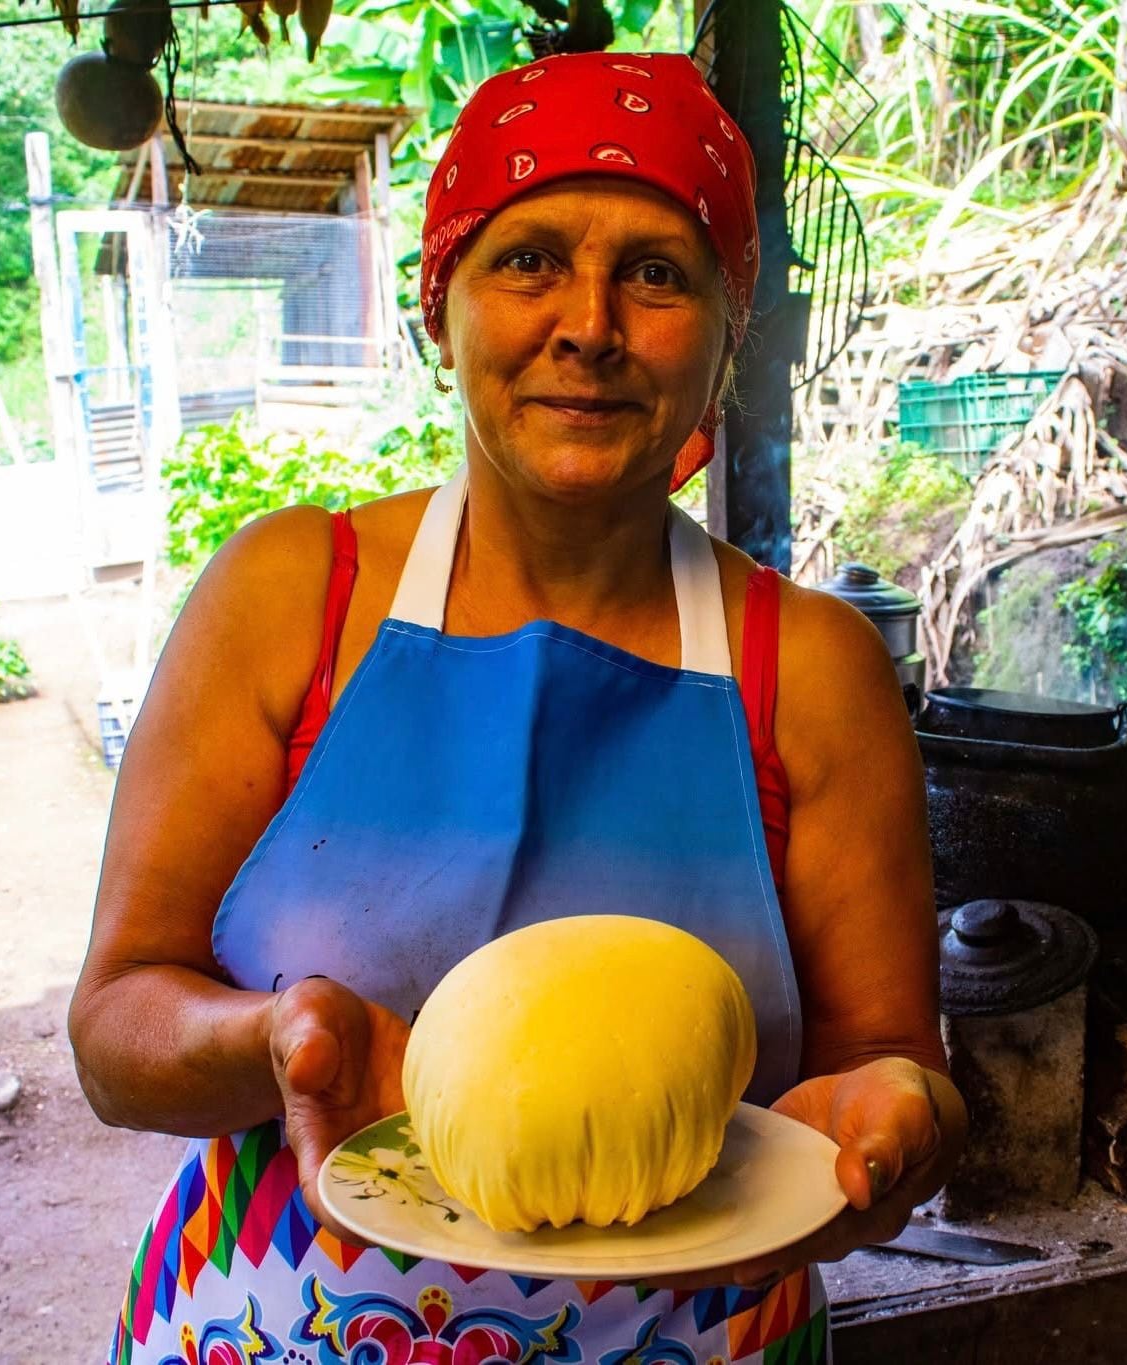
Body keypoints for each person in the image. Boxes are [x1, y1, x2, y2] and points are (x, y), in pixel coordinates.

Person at [71, 49, 967, 1365]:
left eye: (658, 274)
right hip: (279, 1322)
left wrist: (896, 1120)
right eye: (529, 259)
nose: (590, 323)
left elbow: (896, 1057)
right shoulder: (288, 596)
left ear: (728, 333)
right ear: (445, 311)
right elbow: (112, 1029)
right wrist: (278, 1039)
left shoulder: (815, 667)